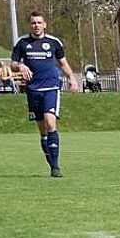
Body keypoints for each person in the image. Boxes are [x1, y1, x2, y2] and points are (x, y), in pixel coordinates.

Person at [11, 12, 79, 177]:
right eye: (33, 23)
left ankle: (56, 167)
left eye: (39, 22)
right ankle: (51, 164)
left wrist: (71, 78)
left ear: (44, 24)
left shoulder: (54, 42)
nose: (36, 25)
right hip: (33, 90)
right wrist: (20, 66)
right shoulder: (22, 43)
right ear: (30, 25)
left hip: (51, 87)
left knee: (50, 122)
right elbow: (13, 63)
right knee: (42, 130)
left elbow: (63, 63)